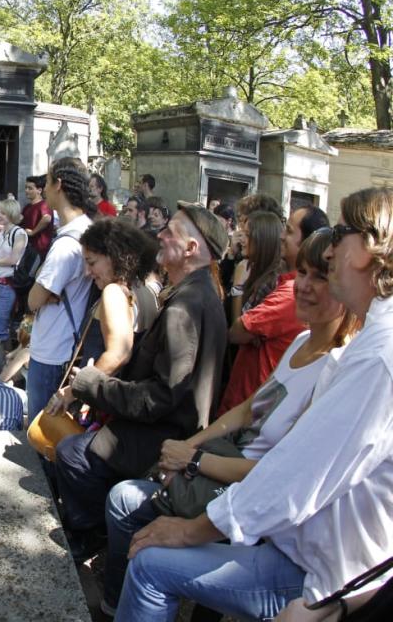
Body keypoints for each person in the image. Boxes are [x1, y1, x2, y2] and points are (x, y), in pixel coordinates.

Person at [116, 188, 393, 622]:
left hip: (320, 574)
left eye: (342, 232)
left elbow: (295, 474)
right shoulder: (359, 346)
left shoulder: (377, 358)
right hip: (292, 544)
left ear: (372, 247)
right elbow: (252, 412)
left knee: (151, 564)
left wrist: (193, 527)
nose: (332, 245)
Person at [47, 201, 228, 560]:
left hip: (163, 437)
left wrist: (88, 385)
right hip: (169, 428)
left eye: (169, 232)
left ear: (191, 248)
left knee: (72, 454)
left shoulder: (184, 307)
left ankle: (96, 537)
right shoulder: (195, 294)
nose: (159, 235)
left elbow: (161, 395)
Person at [51, 219, 159, 408]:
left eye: (91, 262)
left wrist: (73, 391)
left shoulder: (113, 292)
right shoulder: (145, 290)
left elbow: (119, 354)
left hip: (98, 404)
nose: (87, 271)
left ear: (114, 256)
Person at [25, 157, 94, 426]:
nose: (43, 188)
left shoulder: (66, 246)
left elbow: (33, 299)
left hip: (53, 349)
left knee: (43, 433)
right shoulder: (87, 229)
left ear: (59, 185)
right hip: (69, 343)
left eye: (48, 180)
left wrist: (42, 288)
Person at [220, 210, 303, 414]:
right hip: (239, 385)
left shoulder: (272, 283)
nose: (242, 240)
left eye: (248, 235)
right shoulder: (250, 270)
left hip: (250, 397)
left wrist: (238, 288)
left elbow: (238, 332)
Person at [0, 197, 28, 342]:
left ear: (11, 214)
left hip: (9, 284)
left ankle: (0, 360)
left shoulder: (19, 233)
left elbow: (14, 259)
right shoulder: (1, 235)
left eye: (3, 213)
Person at [22, 174, 54, 259]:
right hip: (28, 248)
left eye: (30, 188)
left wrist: (33, 232)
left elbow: (47, 218)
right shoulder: (27, 207)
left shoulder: (44, 204)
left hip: (39, 250)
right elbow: (20, 220)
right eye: (26, 188)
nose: (26, 190)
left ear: (39, 190)